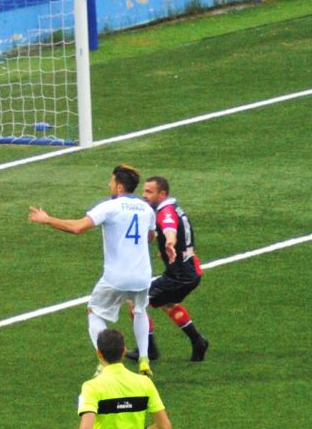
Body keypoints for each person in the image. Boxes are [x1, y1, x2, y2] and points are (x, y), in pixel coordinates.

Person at [29, 164, 157, 376]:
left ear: (119, 187)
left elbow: (77, 227)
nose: (109, 184)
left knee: (94, 311)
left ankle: (106, 362)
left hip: (116, 277)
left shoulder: (110, 207)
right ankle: (144, 359)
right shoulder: (147, 209)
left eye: (111, 181)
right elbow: (150, 236)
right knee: (140, 310)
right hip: (143, 276)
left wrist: (47, 219)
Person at [126, 176, 209, 363]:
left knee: (134, 302)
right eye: (144, 190)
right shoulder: (172, 207)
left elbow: (169, 227)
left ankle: (148, 350)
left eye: (149, 191)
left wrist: (169, 242)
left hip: (179, 277)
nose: (144, 195)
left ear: (162, 194)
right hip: (189, 271)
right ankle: (197, 341)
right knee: (167, 303)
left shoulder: (166, 212)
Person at [77, 328, 172, 429]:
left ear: (99, 353)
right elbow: (165, 426)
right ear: (124, 351)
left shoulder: (91, 387)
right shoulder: (145, 383)